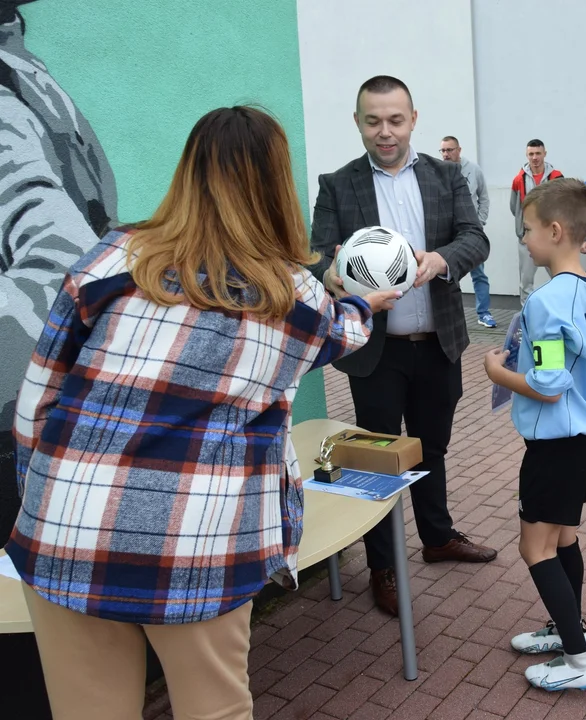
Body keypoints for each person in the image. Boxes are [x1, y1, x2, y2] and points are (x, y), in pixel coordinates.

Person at [6, 106, 400, 720]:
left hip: (65, 531)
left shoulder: (112, 259)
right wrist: (367, 302)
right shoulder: (290, 296)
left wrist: (52, 499)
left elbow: (36, 406)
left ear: (188, 171)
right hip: (200, 547)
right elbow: (343, 332)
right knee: (213, 709)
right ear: (275, 183)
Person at [311, 76, 496, 617]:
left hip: (437, 340)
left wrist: (439, 261)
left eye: (395, 120)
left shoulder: (446, 176)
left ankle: (436, 539)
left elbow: (475, 238)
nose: (385, 132)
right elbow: (312, 253)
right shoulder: (338, 184)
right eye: (373, 121)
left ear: (413, 118)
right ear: (358, 122)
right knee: (378, 461)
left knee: (431, 448)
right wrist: (333, 276)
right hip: (375, 350)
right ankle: (383, 566)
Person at [1, 2, 119, 712]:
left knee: (37, 645)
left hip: (31, 424)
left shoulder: (23, 81)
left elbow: (61, 257)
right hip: (35, 420)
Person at [484, 178, 586, 692]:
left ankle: (580, 662)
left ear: (556, 231)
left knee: (533, 547)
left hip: (557, 444)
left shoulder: (545, 302)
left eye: (527, 229)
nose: (523, 239)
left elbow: (547, 384)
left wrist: (498, 373)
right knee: (565, 536)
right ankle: (570, 629)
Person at [440, 135, 496, 328]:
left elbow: (484, 198)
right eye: (443, 151)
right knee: (447, 275)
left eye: (450, 150)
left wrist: (479, 223)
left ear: (459, 150)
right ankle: (452, 316)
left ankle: (484, 313)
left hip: (470, 232)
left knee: (478, 274)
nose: (446, 154)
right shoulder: (438, 172)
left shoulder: (473, 170)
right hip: (447, 233)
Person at [511, 139, 563, 305]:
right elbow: (514, 207)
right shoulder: (518, 179)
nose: (535, 157)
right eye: (531, 154)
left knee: (559, 276)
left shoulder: (557, 177)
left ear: (544, 154)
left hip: (550, 237)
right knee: (526, 281)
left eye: (538, 153)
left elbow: (564, 205)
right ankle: (527, 317)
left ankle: (562, 310)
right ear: (527, 155)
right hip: (527, 237)